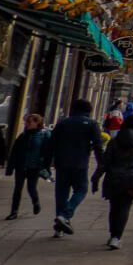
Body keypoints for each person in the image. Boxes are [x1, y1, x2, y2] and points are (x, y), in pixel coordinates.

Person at [91, 112, 133, 250]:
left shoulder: (115, 141)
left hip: (113, 179)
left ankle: (113, 234)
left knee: (114, 207)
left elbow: (104, 163)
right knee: (124, 207)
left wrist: (95, 178)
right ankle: (116, 237)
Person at [44, 99, 101, 237]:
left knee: (61, 194)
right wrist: (102, 165)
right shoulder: (91, 124)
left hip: (61, 163)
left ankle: (59, 228)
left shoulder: (63, 123)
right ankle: (65, 215)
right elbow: (98, 146)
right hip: (80, 164)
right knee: (81, 189)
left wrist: (46, 165)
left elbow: (50, 145)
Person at [4, 113, 50, 220]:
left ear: (38, 123)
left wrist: (45, 166)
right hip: (21, 166)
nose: (27, 124)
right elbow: (14, 152)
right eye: (26, 122)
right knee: (17, 189)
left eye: (30, 122)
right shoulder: (23, 136)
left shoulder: (43, 135)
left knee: (31, 188)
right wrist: (10, 168)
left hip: (34, 167)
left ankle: (36, 202)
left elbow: (48, 153)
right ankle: (14, 211)